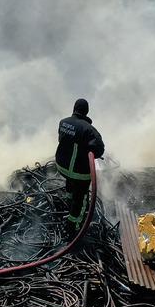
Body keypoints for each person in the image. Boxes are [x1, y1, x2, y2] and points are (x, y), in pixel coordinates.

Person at [55, 98, 105, 231]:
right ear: (86, 112)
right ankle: (74, 225)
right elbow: (99, 150)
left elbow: (62, 139)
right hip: (79, 172)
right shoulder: (89, 130)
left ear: (74, 109)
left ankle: (68, 199)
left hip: (62, 166)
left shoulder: (63, 122)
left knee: (70, 181)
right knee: (81, 198)